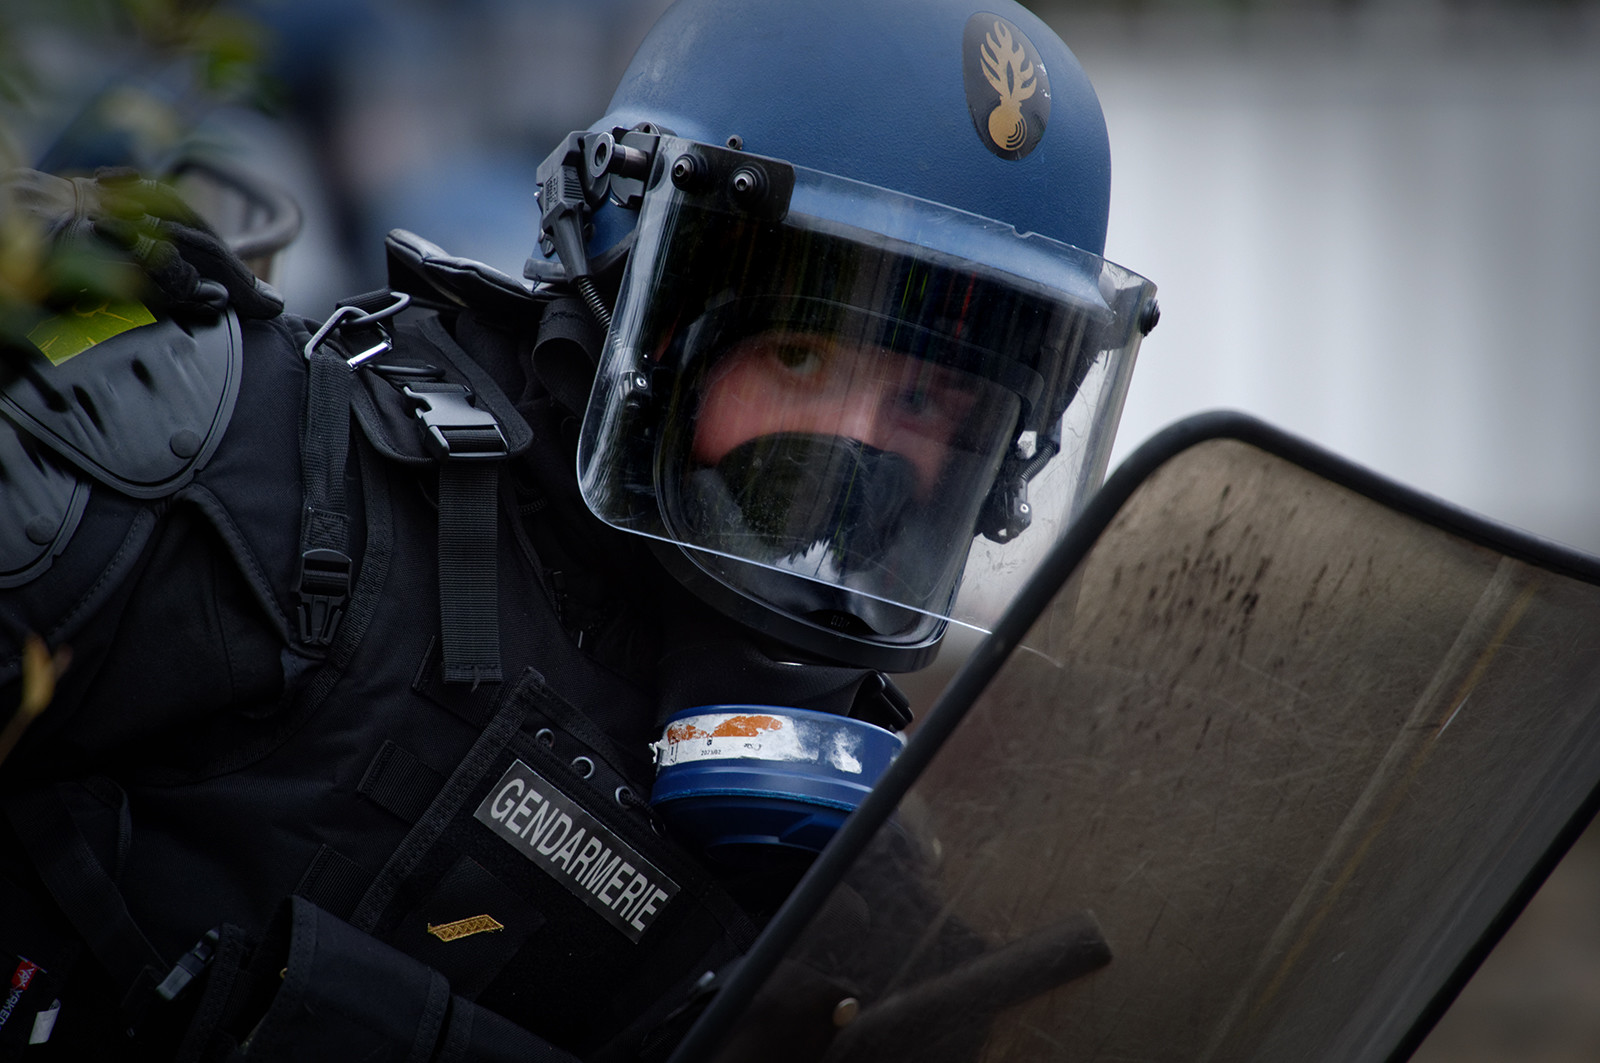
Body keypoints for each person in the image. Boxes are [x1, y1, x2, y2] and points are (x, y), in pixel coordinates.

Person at [0, 0, 1157, 1059]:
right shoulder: (252, 471)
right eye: (799, 354)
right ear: (643, 327)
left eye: (928, 399)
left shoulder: (858, 884)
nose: (851, 448)